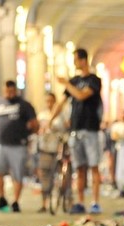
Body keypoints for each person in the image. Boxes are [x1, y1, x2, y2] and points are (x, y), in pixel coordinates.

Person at [50, 48, 103, 215]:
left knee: (93, 166)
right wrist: (50, 119)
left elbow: (81, 96)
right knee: (79, 168)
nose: (74, 63)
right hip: (75, 129)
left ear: (83, 60)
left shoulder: (94, 80)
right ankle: (80, 202)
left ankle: (95, 202)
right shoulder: (73, 81)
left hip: (90, 129)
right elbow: (62, 102)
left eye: (75, 60)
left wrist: (66, 84)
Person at [0, 80, 38, 213]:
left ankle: (15, 201)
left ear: (15, 90)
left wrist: (28, 134)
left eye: (11, 91)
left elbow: (34, 123)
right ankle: (2, 198)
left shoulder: (24, 105)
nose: (9, 94)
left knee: (17, 173)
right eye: (6, 91)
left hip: (17, 144)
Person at [36, 92, 67, 212]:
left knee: (62, 176)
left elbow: (66, 128)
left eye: (51, 101)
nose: (49, 103)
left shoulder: (62, 116)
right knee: (45, 176)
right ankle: (44, 203)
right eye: (47, 101)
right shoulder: (42, 115)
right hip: (45, 149)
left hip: (59, 150)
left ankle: (64, 200)